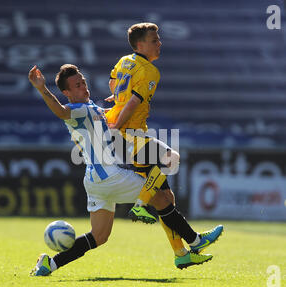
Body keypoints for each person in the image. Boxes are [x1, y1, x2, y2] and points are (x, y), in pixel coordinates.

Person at [28, 64, 219, 275]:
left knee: (99, 236)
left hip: (95, 181)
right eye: (77, 85)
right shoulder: (77, 110)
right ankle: (195, 241)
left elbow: (109, 117)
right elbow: (61, 111)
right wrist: (42, 89)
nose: (83, 86)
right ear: (67, 92)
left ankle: (50, 264)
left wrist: (121, 104)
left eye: (83, 82)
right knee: (162, 198)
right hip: (110, 175)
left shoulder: (92, 109)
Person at [104, 22, 223, 267]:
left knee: (166, 197)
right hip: (132, 134)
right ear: (140, 44)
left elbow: (113, 83)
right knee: (172, 158)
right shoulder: (150, 72)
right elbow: (134, 103)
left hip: (126, 135)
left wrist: (116, 99)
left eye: (158, 39)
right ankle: (139, 205)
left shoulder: (124, 61)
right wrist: (119, 123)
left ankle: (182, 254)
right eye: (154, 40)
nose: (160, 43)